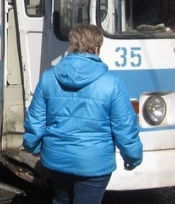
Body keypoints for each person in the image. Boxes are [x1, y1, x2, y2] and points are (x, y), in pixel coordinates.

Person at [23, 23, 143, 204]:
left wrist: (33, 147)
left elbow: (35, 120)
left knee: (62, 199)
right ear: (96, 48)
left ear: (71, 45)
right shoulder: (111, 83)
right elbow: (124, 126)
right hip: (94, 164)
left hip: (57, 159)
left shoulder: (49, 77)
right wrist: (132, 157)